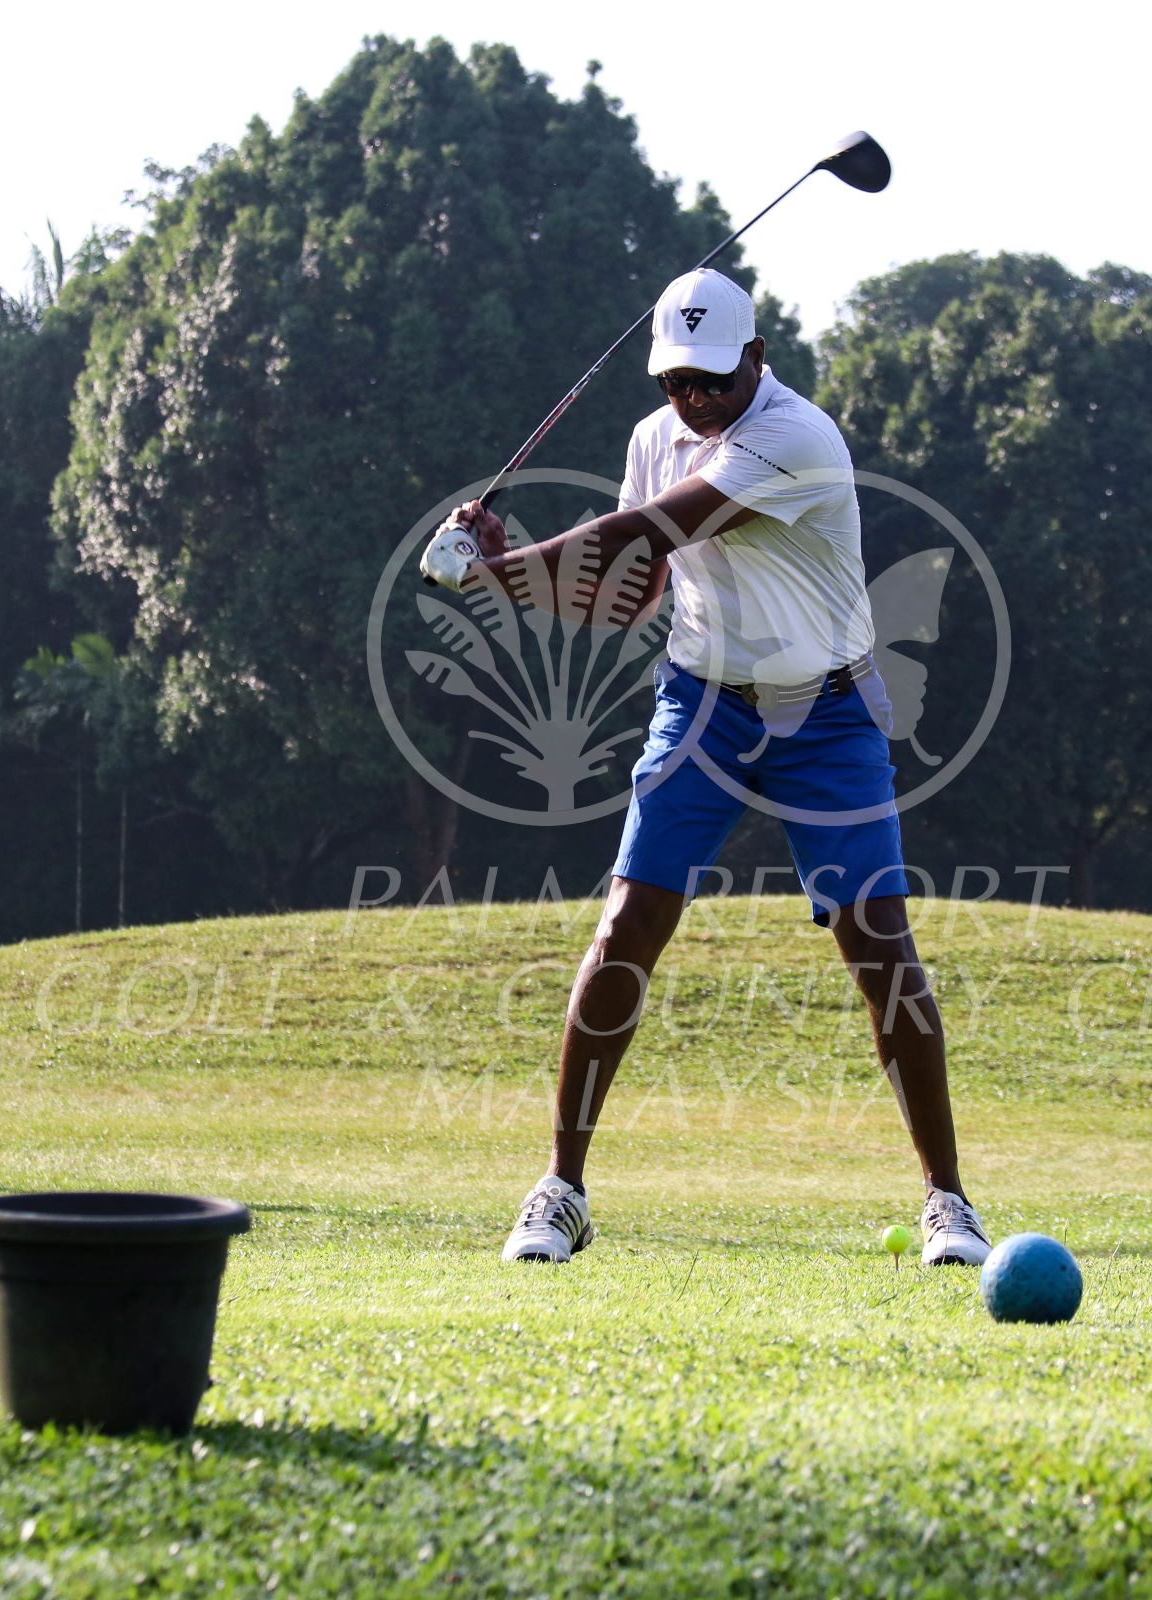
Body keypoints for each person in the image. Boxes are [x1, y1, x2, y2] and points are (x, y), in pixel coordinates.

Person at [418, 268, 991, 1267]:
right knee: (627, 925)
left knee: (879, 946)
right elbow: (628, 592)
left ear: (757, 361)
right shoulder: (655, 437)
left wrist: (501, 564)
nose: (695, 400)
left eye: (714, 381)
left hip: (825, 712)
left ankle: (949, 1201)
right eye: (678, 381)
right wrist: (516, 581)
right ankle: (562, 1188)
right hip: (700, 705)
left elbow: (650, 529)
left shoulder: (795, 436)